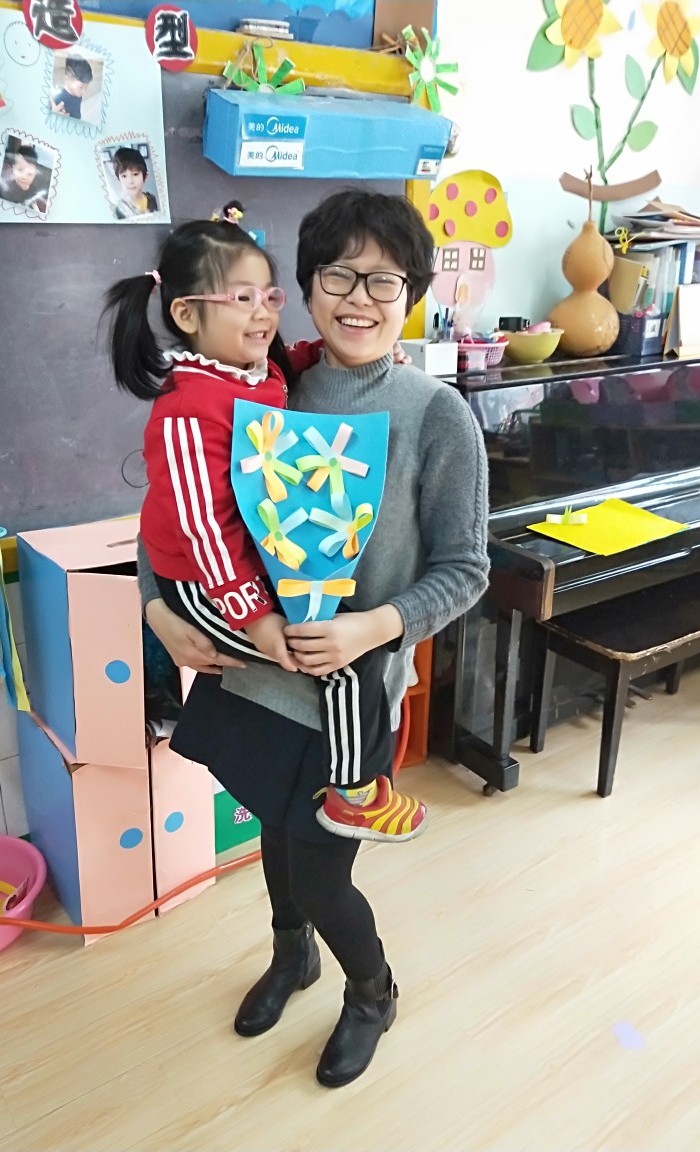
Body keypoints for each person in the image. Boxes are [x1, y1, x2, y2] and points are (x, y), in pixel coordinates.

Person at [136, 189, 489, 1087]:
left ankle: (371, 992)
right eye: (338, 275)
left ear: (412, 292)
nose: (359, 298)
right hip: (259, 677)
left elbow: (467, 570)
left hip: (349, 699)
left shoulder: (435, 413)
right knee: (273, 835)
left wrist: (374, 625)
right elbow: (173, 511)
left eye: (384, 280)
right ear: (305, 287)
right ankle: (291, 956)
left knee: (325, 870)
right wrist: (158, 613)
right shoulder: (270, 382)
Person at [103, 206, 428, 843]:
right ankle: (354, 794)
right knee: (339, 662)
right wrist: (253, 616)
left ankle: (357, 784)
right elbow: (202, 532)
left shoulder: (256, 373)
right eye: (241, 299)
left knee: (347, 650)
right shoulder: (187, 408)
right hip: (204, 583)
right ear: (186, 314)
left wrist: (334, 355)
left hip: (245, 574)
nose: (263, 313)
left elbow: (290, 366)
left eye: (268, 296)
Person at [0, 144, 49, 212]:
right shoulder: (7, 190)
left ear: (34, 174)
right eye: (20, 170)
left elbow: (34, 203)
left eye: (30, 173)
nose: (24, 177)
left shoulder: (33, 189)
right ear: (13, 169)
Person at [110, 147, 158, 220]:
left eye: (135, 174)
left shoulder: (152, 199)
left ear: (145, 176)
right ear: (119, 180)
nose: (130, 181)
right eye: (124, 176)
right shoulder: (120, 209)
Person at [51, 54, 93, 119]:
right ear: (67, 78)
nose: (84, 91)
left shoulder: (78, 94)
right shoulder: (58, 100)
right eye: (81, 87)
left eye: (86, 87)